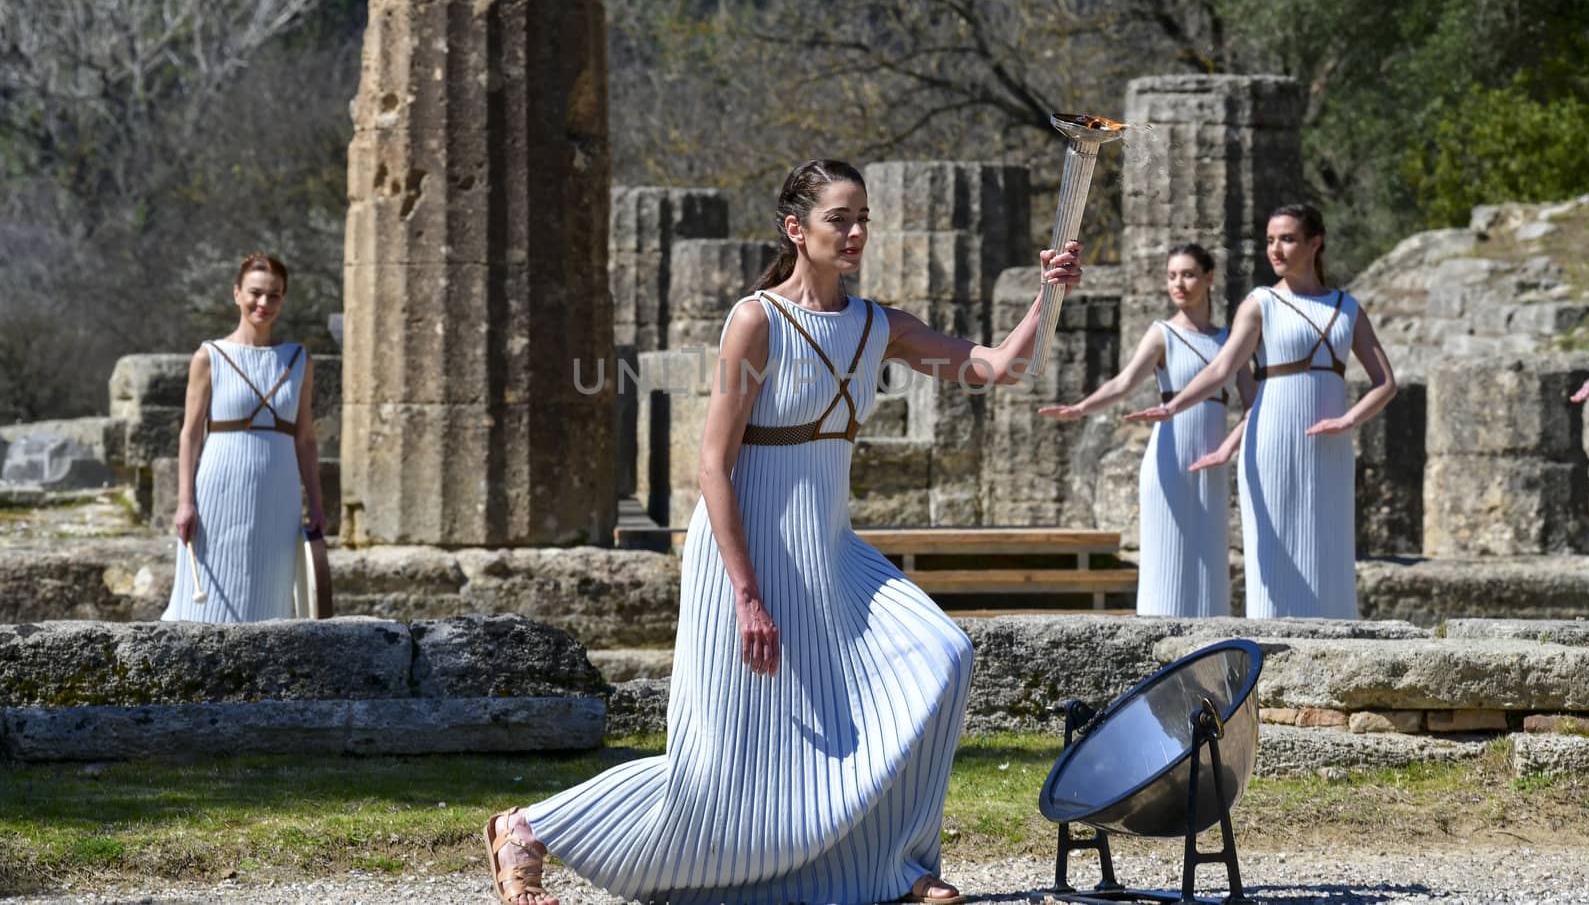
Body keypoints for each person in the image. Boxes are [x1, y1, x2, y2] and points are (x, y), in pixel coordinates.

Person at [482, 160, 1082, 905]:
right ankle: (530, 828)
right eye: (841, 218)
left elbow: (995, 368)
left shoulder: (877, 326)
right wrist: (747, 595)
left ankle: (895, 865)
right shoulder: (756, 320)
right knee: (722, 762)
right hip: (746, 553)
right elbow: (712, 466)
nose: (857, 231)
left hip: (828, 552)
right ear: (797, 229)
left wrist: (1048, 293)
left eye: (863, 217)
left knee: (944, 656)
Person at [1127, 206, 1396, 619]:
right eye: (1270, 240)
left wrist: (1349, 420)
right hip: (1271, 438)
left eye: (1287, 239)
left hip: (1331, 445)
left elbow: (1385, 382)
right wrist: (1173, 406)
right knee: (1275, 556)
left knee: (1330, 548)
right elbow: (1221, 369)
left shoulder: (1347, 307)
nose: (1275, 249)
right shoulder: (1260, 303)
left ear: (1314, 243)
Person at [1039, 243, 1254, 616]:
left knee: (1210, 562)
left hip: (1211, 461)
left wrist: (1227, 450)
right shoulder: (1162, 334)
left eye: (1187, 274)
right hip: (1168, 457)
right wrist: (1081, 408)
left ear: (1208, 278)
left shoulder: (1229, 341)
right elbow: (1123, 384)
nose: (1178, 284)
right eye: (1172, 276)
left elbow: (1253, 406)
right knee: (1166, 559)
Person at [164, 252, 322, 622]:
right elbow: (189, 434)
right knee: (204, 604)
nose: (263, 303)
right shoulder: (210, 357)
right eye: (255, 293)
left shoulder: (298, 360)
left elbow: (305, 439)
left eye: (275, 295)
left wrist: (316, 505)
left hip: (278, 491)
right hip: (219, 487)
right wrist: (185, 501)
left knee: (269, 596)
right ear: (237, 294)